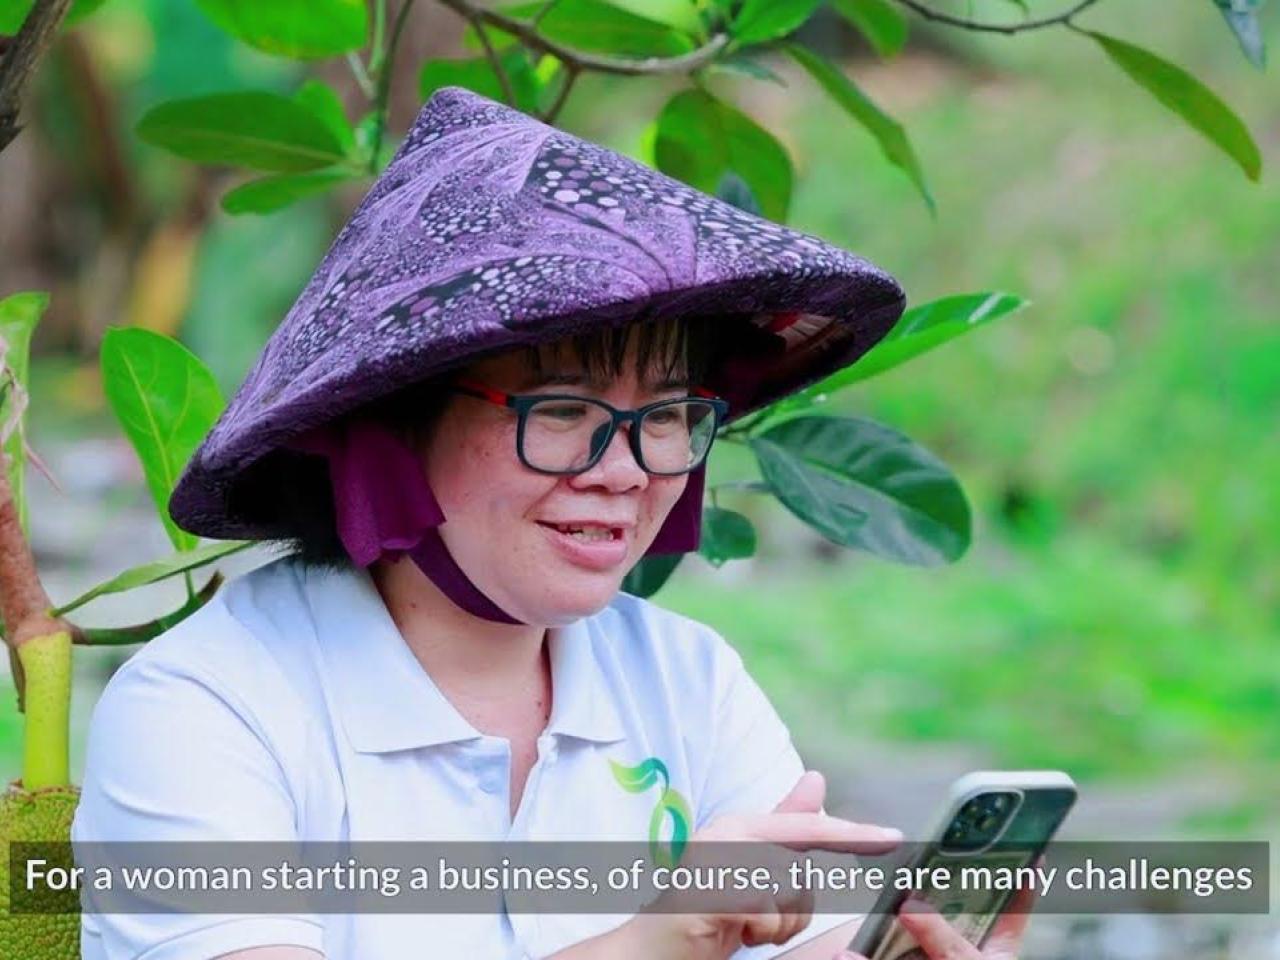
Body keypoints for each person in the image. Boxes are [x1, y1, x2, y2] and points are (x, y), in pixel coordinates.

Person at [70, 87, 1033, 960]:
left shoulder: (685, 682)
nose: (621, 471)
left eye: (665, 417)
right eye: (562, 412)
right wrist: (665, 933)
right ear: (397, 420)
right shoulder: (208, 706)